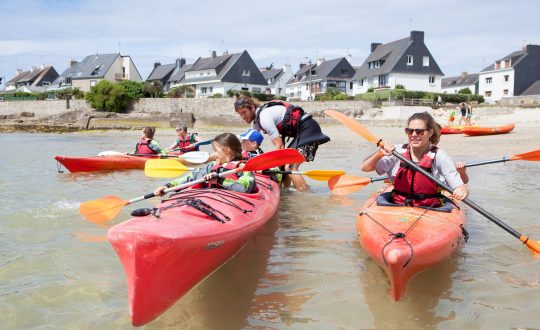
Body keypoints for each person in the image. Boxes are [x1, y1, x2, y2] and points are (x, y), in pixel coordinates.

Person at [360, 111, 468, 207]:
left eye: (420, 131)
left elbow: (461, 186)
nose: (414, 135)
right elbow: (364, 168)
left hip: (429, 208)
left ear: (430, 132)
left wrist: (461, 191)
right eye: (410, 131)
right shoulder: (397, 151)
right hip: (398, 205)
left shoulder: (440, 156)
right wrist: (379, 154)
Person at [233, 95, 330, 191]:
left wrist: (273, 166)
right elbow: (250, 144)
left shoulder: (264, 117)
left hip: (309, 130)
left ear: (252, 108)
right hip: (302, 132)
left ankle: (305, 195)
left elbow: (280, 145)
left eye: (244, 112)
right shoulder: (256, 122)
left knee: (290, 166)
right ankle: (284, 191)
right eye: (240, 114)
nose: (243, 116)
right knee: (284, 166)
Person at [154, 133, 256, 195]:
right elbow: (191, 177)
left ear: (227, 150)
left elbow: (245, 188)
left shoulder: (243, 168)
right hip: (210, 199)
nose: (213, 154)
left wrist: (219, 180)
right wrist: (168, 186)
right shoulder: (212, 166)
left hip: (232, 203)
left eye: (215, 150)